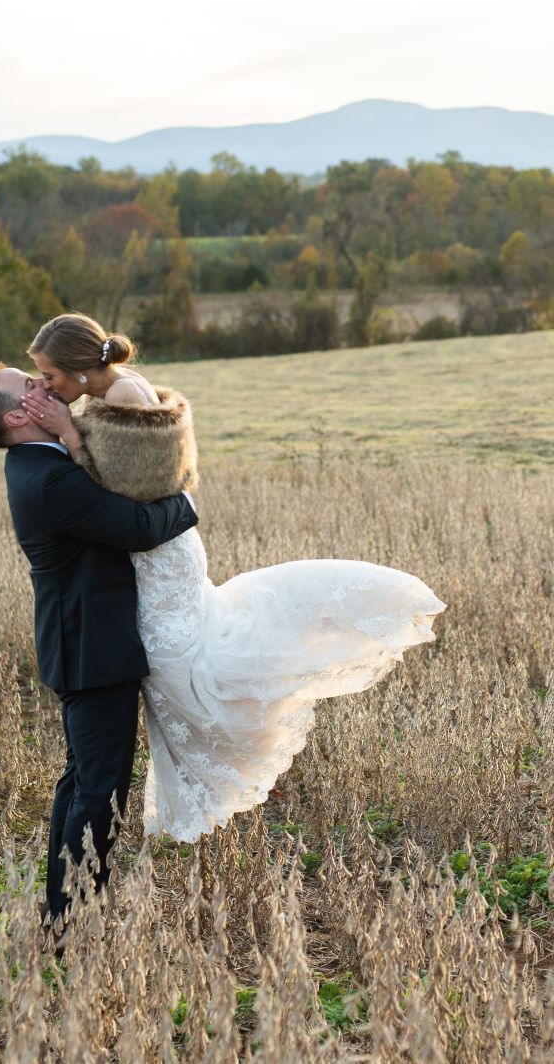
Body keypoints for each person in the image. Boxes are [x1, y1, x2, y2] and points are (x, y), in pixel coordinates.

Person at [23, 313, 446, 843]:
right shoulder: (110, 390)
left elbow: (130, 488)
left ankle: (246, 729)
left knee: (184, 663)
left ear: (81, 370)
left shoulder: (124, 394)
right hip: (154, 545)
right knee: (180, 660)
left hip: (158, 549)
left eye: (50, 375)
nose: (46, 386)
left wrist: (68, 434)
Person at [0, 362, 198, 926]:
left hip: (80, 643)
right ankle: (72, 919)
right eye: (29, 385)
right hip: (92, 650)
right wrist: (187, 500)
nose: (43, 384)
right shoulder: (50, 479)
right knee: (100, 790)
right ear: (17, 417)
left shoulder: (41, 463)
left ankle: (62, 912)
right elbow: (139, 528)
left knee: (83, 781)